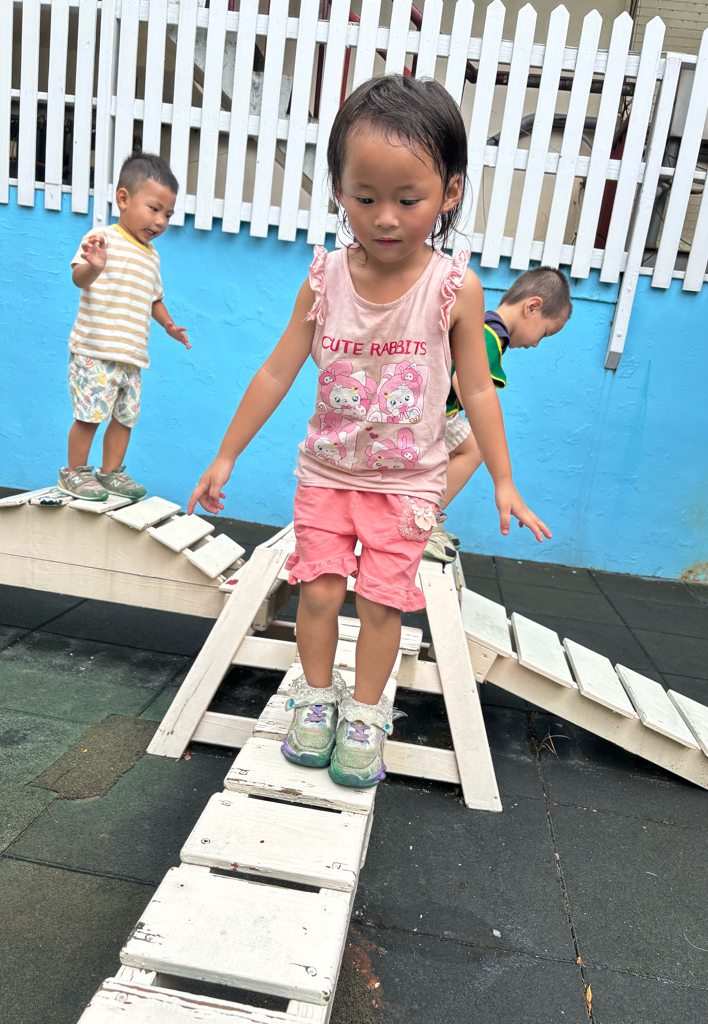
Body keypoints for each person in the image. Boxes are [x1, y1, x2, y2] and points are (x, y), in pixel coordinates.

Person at [188, 75, 551, 789]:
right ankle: (316, 697)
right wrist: (226, 454)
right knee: (319, 593)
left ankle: (364, 715)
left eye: (408, 200)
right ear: (339, 191)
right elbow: (277, 370)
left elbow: (477, 387)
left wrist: (504, 478)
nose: (385, 218)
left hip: (407, 484)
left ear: (449, 192)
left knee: (383, 604)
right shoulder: (324, 279)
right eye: (364, 198)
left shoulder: (454, 289)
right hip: (327, 474)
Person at [57, 153, 191, 502]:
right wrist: (94, 266)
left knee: (124, 418)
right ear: (123, 199)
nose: (160, 221)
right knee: (89, 416)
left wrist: (169, 325)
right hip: (95, 351)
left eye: (167, 214)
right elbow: (78, 279)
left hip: (131, 357)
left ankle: (110, 472)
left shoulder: (151, 256)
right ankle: (74, 473)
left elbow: (154, 299)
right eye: (154, 208)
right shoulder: (102, 238)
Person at [425, 267, 572, 561]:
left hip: (429, 408)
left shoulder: (482, 325)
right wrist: (481, 416)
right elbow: (465, 383)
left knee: (457, 452)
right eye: (544, 333)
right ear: (532, 307)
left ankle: (423, 513)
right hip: (436, 413)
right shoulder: (489, 337)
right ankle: (424, 519)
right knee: (475, 448)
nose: (536, 344)